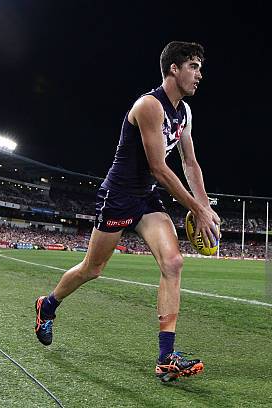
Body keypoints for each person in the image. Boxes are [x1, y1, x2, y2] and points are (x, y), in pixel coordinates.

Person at [34, 41, 219, 382]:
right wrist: (197, 209)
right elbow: (160, 167)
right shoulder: (149, 106)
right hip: (119, 196)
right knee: (93, 269)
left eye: (200, 68)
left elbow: (189, 162)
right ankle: (47, 305)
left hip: (146, 199)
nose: (199, 75)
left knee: (173, 262)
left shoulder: (185, 114)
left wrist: (205, 205)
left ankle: (166, 358)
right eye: (193, 66)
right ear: (173, 69)